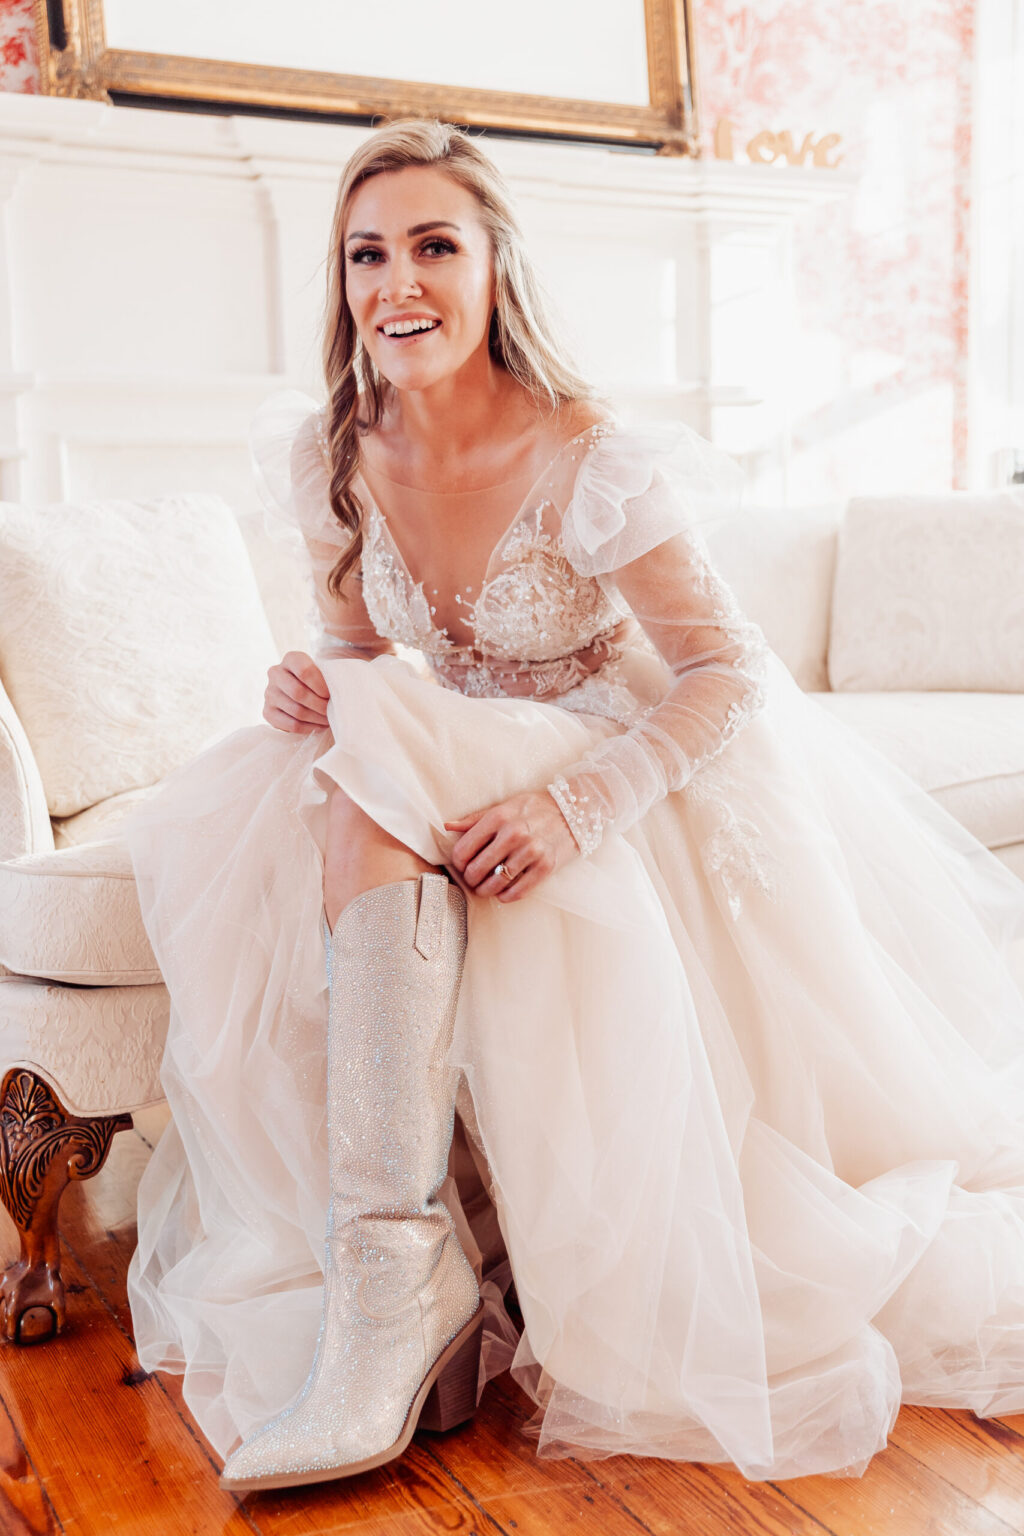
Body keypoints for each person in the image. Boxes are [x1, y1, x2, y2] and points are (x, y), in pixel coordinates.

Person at [125, 117, 1024, 1493]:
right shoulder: (333, 454)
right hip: (459, 753)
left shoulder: (585, 452)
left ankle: (398, 1293)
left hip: (627, 768)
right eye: (369, 253)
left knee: (385, 782)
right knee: (315, 776)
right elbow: (365, 654)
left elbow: (730, 674)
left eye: (436, 244)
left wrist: (580, 805)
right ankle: (393, 1272)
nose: (398, 281)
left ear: (496, 269)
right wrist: (316, 682)